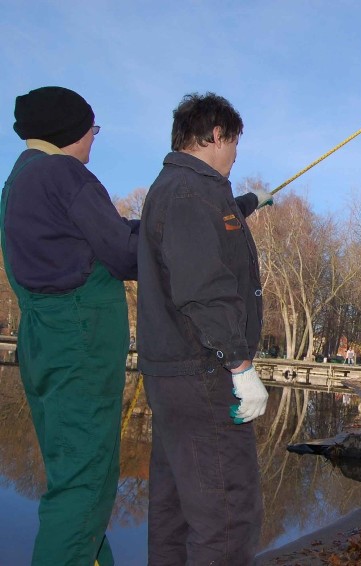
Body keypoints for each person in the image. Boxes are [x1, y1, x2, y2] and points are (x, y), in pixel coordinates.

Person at [1, 86, 139, 565]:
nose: (94, 140)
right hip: (80, 346)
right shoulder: (64, 174)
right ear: (72, 132)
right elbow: (124, 254)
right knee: (85, 485)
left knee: (74, 475)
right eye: (93, 130)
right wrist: (170, 233)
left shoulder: (19, 178)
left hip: (44, 344)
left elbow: (93, 239)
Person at [137, 92, 273, 564]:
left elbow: (200, 240)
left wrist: (247, 204)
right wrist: (240, 363)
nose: (236, 154)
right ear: (215, 136)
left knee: (175, 510)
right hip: (205, 375)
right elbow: (203, 287)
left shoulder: (177, 189)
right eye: (234, 143)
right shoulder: (192, 194)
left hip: (175, 375)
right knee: (227, 516)